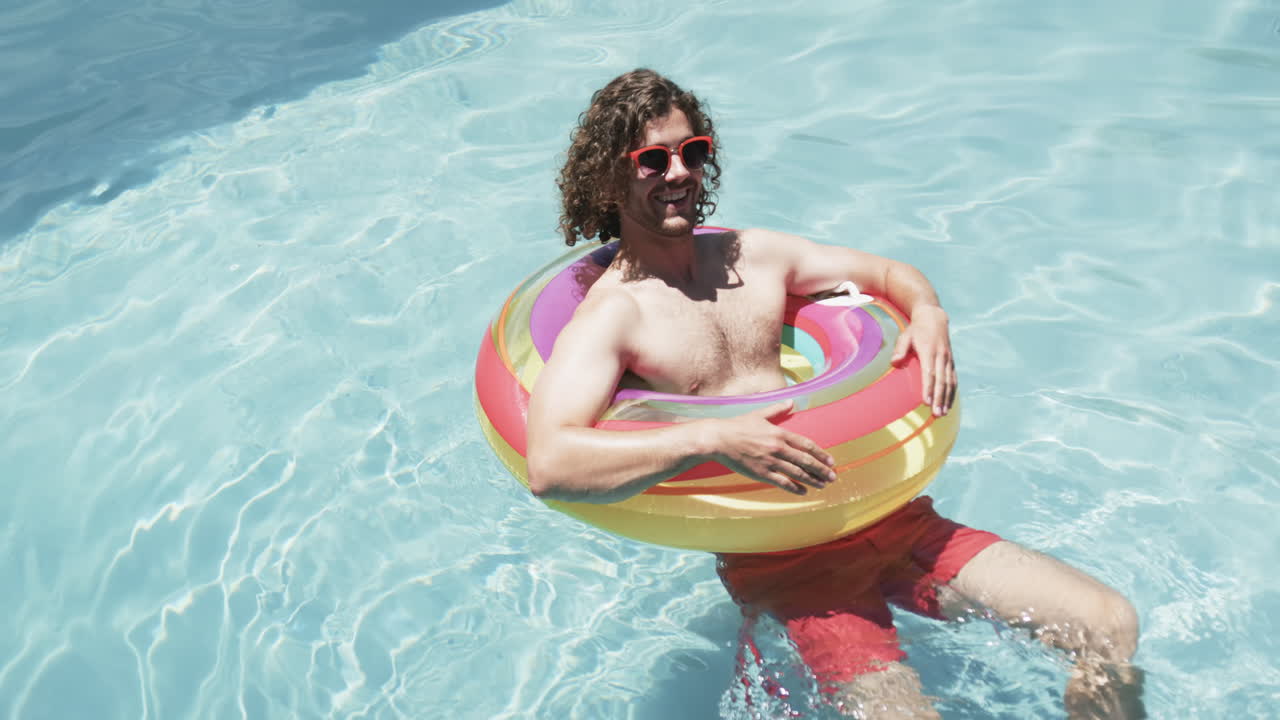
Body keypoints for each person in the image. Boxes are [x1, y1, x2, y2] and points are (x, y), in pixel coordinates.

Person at [526, 68, 1144, 718]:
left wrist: (929, 312)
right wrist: (709, 438)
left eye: (693, 151)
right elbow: (551, 464)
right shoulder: (615, 315)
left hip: (890, 513)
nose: (679, 172)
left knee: (1108, 625)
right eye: (654, 160)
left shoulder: (752, 257)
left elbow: (887, 271)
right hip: (791, 565)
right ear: (611, 177)